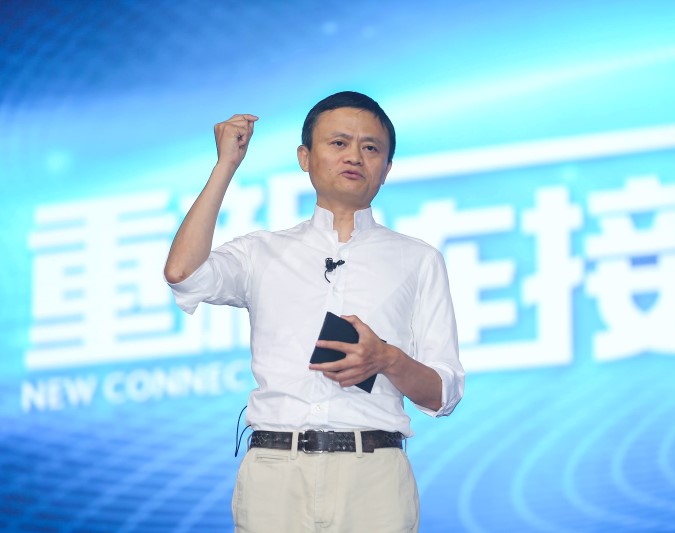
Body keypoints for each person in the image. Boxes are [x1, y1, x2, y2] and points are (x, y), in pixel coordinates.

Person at [164, 91, 464, 532]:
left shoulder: (418, 260)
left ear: (387, 168)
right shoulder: (262, 252)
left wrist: (387, 359)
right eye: (338, 143)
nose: (355, 157)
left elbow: (444, 393)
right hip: (275, 471)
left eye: (371, 147)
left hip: (373, 475)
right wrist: (225, 166)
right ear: (305, 157)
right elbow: (182, 273)